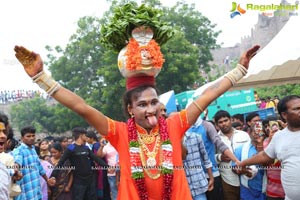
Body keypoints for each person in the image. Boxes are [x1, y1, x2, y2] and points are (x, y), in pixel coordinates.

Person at [14, 16, 259, 199]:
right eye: (142, 104)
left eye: (154, 102)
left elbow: (208, 95)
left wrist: (239, 70)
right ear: (130, 110)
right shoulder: (120, 132)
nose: (151, 108)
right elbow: (83, 107)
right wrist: (41, 78)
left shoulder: (174, 125)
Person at [236, 95, 300, 200]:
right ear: (284, 115)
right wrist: (243, 163)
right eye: (297, 109)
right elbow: (266, 156)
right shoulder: (279, 136)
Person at [51, 127, 107, 200]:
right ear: (81, 135)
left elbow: (96, 159)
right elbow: (60, 163)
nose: (86, 137)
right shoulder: (71, 148)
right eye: (85, 135)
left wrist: (108, 167)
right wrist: (53, 176)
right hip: (78, 182)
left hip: (90, 180)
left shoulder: (86, 148)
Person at [214, 110, 250, 200]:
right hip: (228, 179)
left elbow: (252, 152)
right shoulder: (215, 139)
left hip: (247, 177)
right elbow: (211, 158)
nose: (223, 124)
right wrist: (220, 157)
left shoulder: (244, 135)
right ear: (217, 125)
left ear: (231, 120)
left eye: (226, 120)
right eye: (220, 122)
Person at [12, 125, 55, 200]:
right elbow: (17, 162)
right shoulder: (19, 150)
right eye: (28, 136)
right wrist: (16, 170)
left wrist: (47, 180)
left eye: (33, 135)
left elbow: (39, 167)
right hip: (25, 193)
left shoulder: (33, 149)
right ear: (22, 138)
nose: (31, 138)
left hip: (36, 191)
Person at [232, 121, 267, 200]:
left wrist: (260, 145)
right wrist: (244, 171)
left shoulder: (269, 147)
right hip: (247, 191)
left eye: (260, 132)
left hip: (266, 189)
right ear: (249, 133)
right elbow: (233, 167)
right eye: (255, 131)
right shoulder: (241, 149)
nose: (257, 134)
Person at [183, 130, 214, 200]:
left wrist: (211, 178)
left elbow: (206, 159)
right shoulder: (168, 142)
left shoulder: (195, 137)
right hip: (182, 187)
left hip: (198, 184)